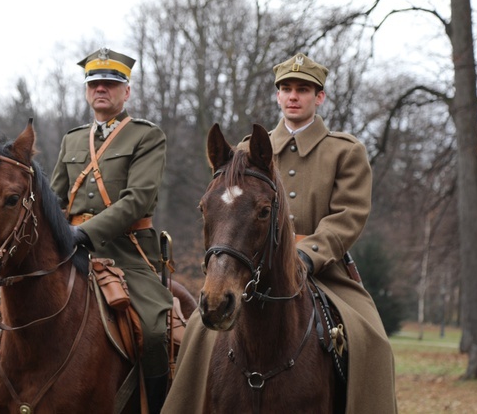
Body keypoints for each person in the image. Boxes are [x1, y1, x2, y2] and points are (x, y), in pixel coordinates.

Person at [163, 53, 397, 413]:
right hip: (250, 265)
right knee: (198, 330)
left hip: (324, 269)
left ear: (319, 97)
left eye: (303, 90)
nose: (293, 96)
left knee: (374, 341)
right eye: (286, 89)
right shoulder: (245, 150)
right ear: (277, 95)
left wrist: (307, 254)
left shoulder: (344, 151)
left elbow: (348, 217)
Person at [50, 47, 173, 414]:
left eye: (110, 83)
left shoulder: (146, 137)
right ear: (87, 91)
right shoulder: (73, 139)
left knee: (154, 331)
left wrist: (85, 234)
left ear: (126, 92)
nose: (101, 89)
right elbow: (54, 198)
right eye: (95, 83)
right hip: (68, 249)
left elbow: (137, 200)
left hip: (128, 252)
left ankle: (158, 405)